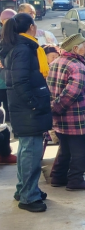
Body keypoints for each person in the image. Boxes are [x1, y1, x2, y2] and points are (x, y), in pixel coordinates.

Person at [0, 13, 51, 212]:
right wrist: (33, 103)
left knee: (26, 150)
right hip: (28, 109)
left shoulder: (19, 46)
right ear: (31, 27)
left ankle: (24, 189)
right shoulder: (23, 49)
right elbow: (20, 81)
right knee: (31, 153)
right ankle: (29, 197)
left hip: (24, 108)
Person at [47, 33, 85, 191]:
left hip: (59, 119)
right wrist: (57, 107)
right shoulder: (77, 66)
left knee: (65, 149)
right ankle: (75, 180)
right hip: (76, 119)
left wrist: (53, 110)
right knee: (80, 151)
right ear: (75, 48)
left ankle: (57, 177)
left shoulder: (55, 62)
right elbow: (70, 93)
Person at [0, 9, 17, 123]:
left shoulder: (17, 35)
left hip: (10, 78)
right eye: (6, 20)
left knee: (9, 108)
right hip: (4, 78)